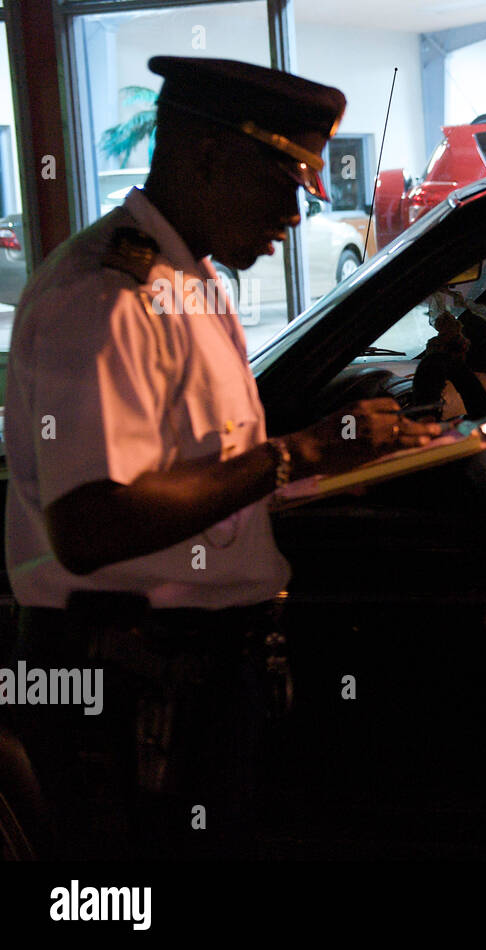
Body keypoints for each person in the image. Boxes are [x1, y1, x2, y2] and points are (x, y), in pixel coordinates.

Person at [2, 56, 442, 858]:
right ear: (207, 155)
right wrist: (293, 452)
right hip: (129, 677)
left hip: (189, 669)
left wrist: (341, 455)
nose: (298, 214)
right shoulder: (107, 297)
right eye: (285, 181)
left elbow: (205, 476)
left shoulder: (190, 280)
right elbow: (91, 524)